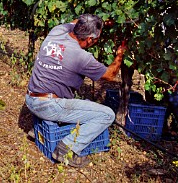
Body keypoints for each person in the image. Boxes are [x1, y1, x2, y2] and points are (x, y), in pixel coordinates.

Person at [25, 14, 127, 167]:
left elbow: (74, 21)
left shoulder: (57, 31)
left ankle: (40, 129)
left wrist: (100, 23)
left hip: (31, 99)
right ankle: (66, 149)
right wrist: (120, 54)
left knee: (71, 101)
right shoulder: (81, 57)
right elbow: (110, 75)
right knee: (107, 114)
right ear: (90, 39)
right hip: (49, 105)